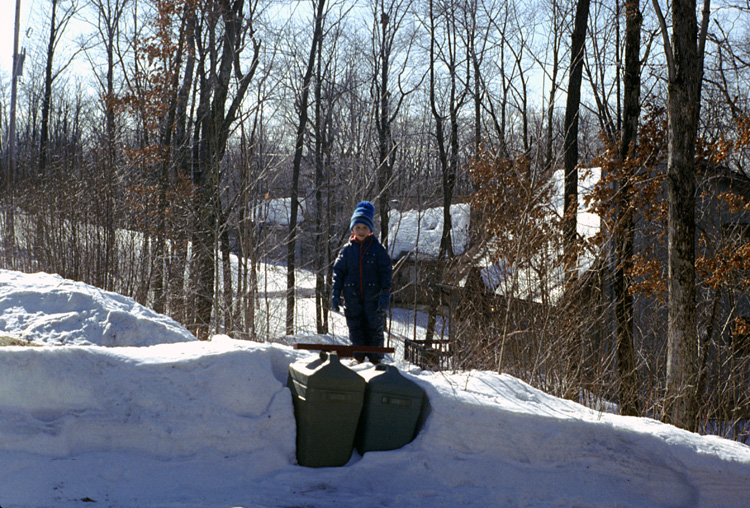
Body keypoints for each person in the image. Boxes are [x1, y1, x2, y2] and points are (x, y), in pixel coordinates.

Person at [331, 201, 393, 363]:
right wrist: (336, 292)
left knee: (374, 329)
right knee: (355, 328)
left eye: (364, 228)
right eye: (358, 227)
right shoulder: (347, 251)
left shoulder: (377, 250)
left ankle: (375, 361)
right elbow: (338, 272)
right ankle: (358, 360)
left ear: (370, 230)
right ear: (352, 229)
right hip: (352, 299)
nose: (361, 231)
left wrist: (386, 292)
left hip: (374, 298)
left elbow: (386, 271)